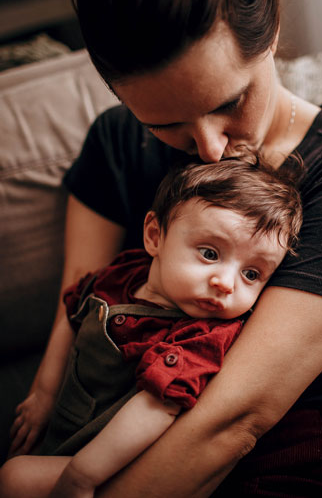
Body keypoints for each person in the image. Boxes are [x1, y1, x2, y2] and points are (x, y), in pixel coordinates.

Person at [6, 0, 322, 496]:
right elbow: (81, 295)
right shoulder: (117, 141)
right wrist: (44, 399)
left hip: (301, 444)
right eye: (164, 125)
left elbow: (235, 420)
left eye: (228, 103)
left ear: (273, 32)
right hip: (123, 426)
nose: (211, 150)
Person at [0, 157, 302, 498]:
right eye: (209, 253)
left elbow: (158, 407)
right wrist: (43, 394)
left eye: (252, 274)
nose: (226, 283)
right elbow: (73, 313)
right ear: (154, 236)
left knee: (13, 478)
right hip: (65, 423)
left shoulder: (202, 336)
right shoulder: (122, 273)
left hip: (114, 460)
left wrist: (82, 473)